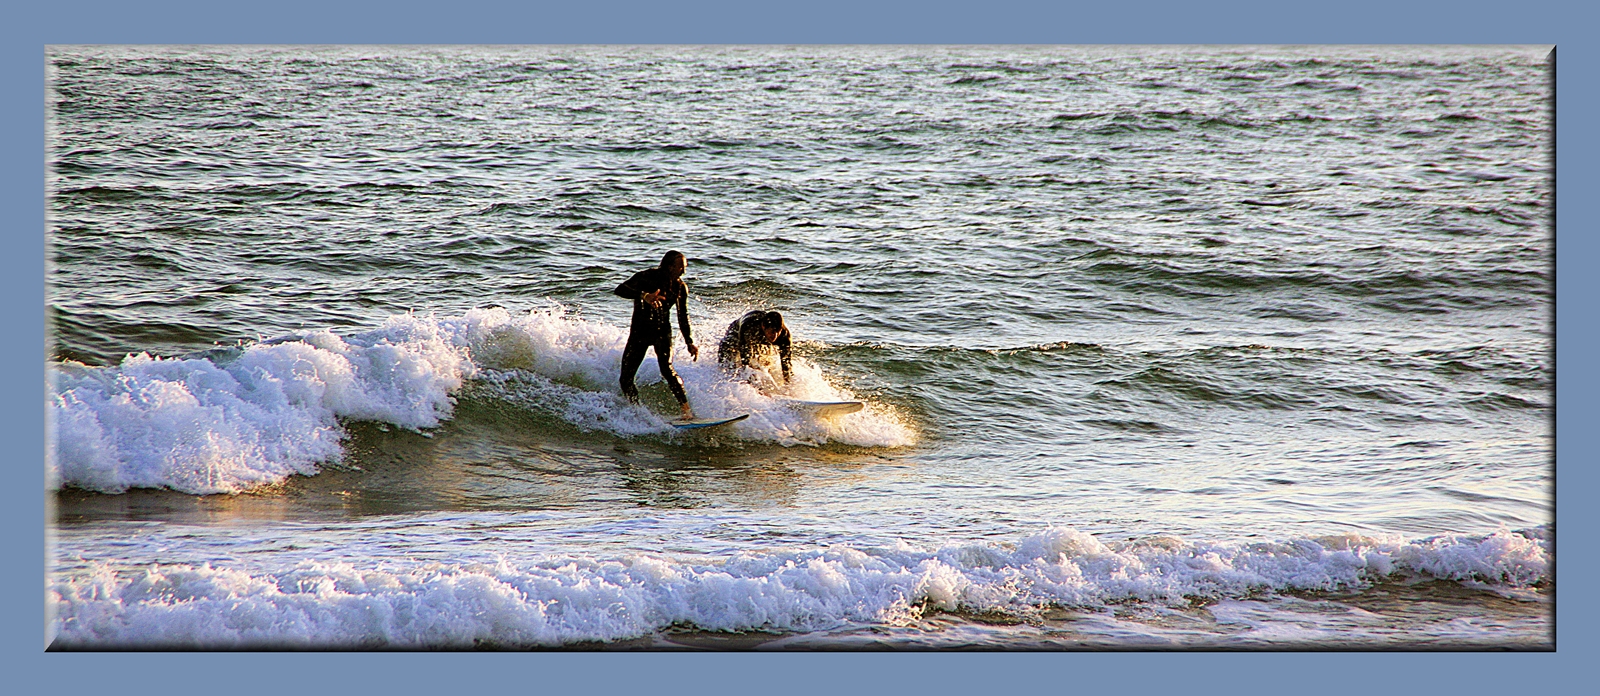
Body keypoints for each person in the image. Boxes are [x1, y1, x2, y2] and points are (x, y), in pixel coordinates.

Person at [614, 250, 699, 419]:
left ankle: (686, 411)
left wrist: (689, 341)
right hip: (640, 331)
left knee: (667, 370)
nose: (683, 271)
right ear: (669, 266)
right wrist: (643, 296)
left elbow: (682, 315)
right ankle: (636, 411)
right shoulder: (646, 277)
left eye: (685, 267)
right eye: (680, 267)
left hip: (662, 332)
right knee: (626, 379)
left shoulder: (680, 287)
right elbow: (620, 289)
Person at [717, 309, 792, 386]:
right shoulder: (749, 327)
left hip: (758, 335)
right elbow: (745, 361)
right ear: (763, 327)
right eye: (772, 332)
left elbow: (786, 363)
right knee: (728, 359)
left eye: (778, 331)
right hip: (736, 333)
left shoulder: (784, 335)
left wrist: (787, 383)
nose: (775, 336)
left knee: (764, 363)